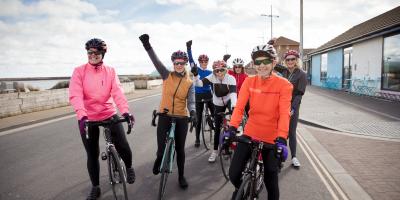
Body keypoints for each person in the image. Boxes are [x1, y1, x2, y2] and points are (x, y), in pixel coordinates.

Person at [69, 38, 136, 200]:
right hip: (87, 117)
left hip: (108, 112)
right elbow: (75, 94)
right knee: (92, 154)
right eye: (89, 53)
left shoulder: (110, 71)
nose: (93, 55)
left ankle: (129, 166)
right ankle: (95, 187)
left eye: (96, 53)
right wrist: (82, 115)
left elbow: (117, 93)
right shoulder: (79, 71)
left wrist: (125, 112)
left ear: (102, 54)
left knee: (123, 145)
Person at [227, 44, 293, 200]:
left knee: (271, 180)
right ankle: (242, 189)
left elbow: (284, 113)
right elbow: (239, 107)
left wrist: (282, 139)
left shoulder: (284, 85)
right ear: (253, 64)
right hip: (251, 132)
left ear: (273, 62)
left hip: (273, 137)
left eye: (265, 61)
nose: (261, 65)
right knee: (233, 174)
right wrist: (231, 128)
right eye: (257, 62)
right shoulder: (249, 82)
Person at [139, 34, 196, 189]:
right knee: (160, 150)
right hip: (164, 115)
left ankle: (181, 176)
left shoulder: (189, 82)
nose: (179, 65)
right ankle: (159, 159)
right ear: (173, 63)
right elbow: (155, 61)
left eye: (182, 63)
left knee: (180, 149)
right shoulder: (166, 75)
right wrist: (147, 45)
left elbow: (191, 101)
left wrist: (193, 112)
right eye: (176, 63)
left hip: (181, 117)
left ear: (185, 64)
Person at [191, 60, 237, 163]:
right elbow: (199, 84)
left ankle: (232, 144)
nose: (219, 73)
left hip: (229, 100)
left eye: (221, 70)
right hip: (218, 103)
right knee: (217, 129)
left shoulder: (231, 78)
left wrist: (234, 108)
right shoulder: (212, 77)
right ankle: (215, 151)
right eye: (217, 71)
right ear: (214, 71)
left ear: (225, 70)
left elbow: (233, 94)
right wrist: (195, 75)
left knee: (234, 123)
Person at [281, 49, 307, 168]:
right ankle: (279, 155)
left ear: (297, 60)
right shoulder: (284, 71)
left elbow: (299, 94)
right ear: (285, 61)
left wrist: (293, 109)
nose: (290, 61)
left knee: (291, 132)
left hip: (292, 107)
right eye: (288, 59)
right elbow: (270, 62)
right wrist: (270, 44)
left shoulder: (301, 74)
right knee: (281, 132)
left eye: (293, 59)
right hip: (281, 105)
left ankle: (294, 157)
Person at [186, 40, 214, 148]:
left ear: (207, 62)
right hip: (197, 96)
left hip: (208, 94)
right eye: (201, 61)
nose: (203, 63)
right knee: (197, 118)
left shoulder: (210, 72)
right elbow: (191, 60)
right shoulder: (195, 69)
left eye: (205, 61)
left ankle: (212, 122)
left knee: (215, 112)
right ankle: (197, 138)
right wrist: (189, 49)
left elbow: (212, 85)